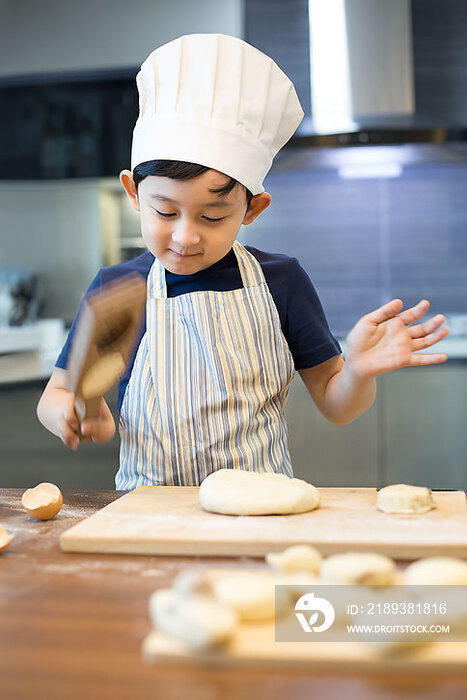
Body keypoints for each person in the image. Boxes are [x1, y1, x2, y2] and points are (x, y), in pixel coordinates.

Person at [37, 33, 449, 488]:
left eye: (213, 216)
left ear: (253, 209)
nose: (185, 236)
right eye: (165, 211)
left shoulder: (281, 281)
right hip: (147, 514)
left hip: (260, 513)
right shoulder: (117, 289)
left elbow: (337, 404)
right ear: (134, 193)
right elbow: (57, 393)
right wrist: (70, 412)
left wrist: (356, 371)